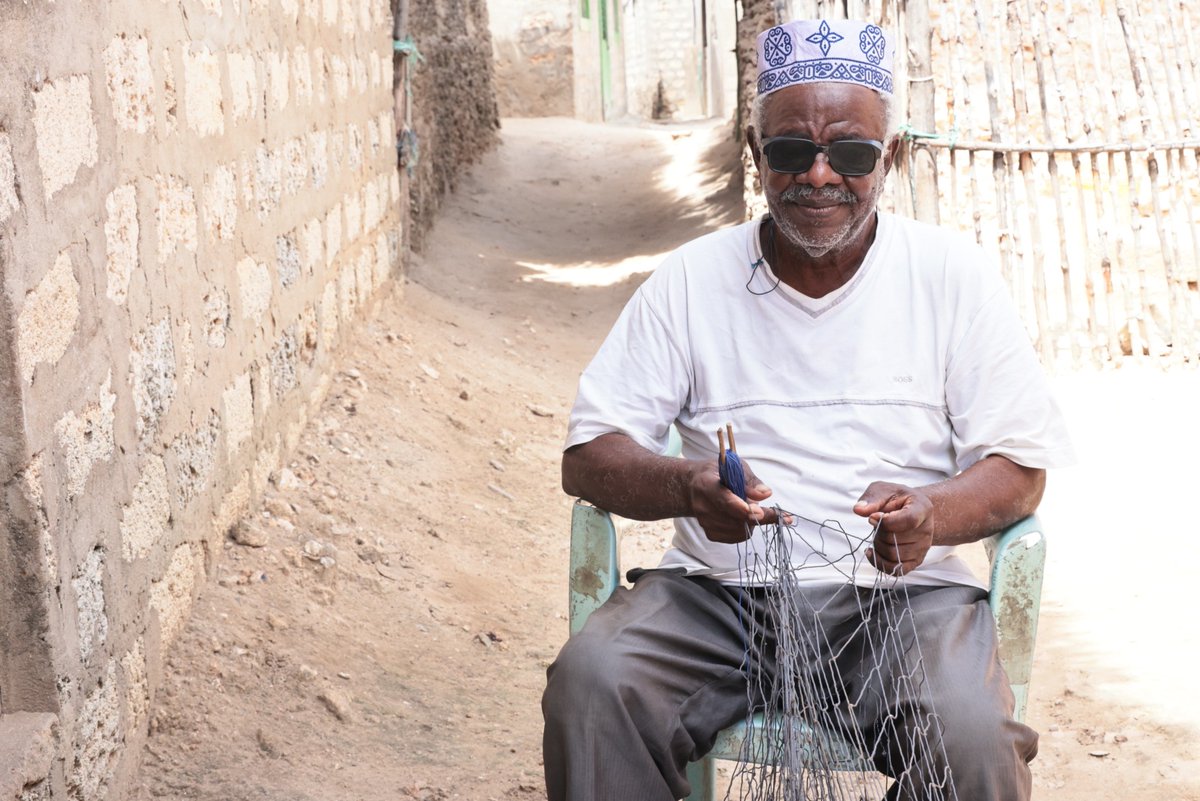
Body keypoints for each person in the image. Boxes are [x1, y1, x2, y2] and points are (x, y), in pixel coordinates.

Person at [542, 18, 1073, 801]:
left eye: (850, 153)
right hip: (717, 597)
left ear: (886, 159)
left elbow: (1020, 471)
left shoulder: (952, 278)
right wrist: (688, 486)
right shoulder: (690, 282)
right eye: (791, 150)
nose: (819, 175)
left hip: (904, 606)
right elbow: (589, 453)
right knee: (594, 684)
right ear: (758, 158)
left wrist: (932, 511)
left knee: (972, 732)